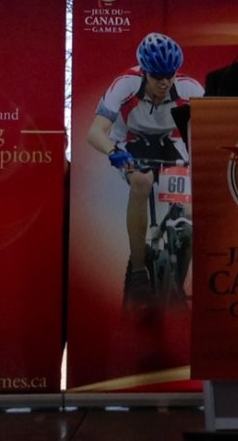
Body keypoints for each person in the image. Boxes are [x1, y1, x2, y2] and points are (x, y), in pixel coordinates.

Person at [86, 32, 202, 307]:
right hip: (131, 140)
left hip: (170, 141)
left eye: (169, 76)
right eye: (156, 77)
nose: (164, 83)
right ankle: (138, 269)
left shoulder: (189, 88)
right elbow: (95, 133)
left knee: (190, 208)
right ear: (144, 72)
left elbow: (210, 131)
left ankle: (177, 279)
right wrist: (114, 153)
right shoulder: (125, 84)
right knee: (141, 182)